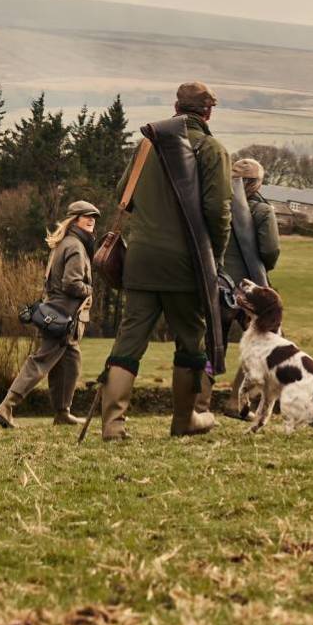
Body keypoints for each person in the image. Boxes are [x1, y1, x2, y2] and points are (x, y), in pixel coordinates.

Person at [97, 81, 232, 440]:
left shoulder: (147, 143)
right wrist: (213, 258)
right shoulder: (211, 148)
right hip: (187, 265)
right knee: (191, 341)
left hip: (140, 259)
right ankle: (184, 420)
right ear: (207, 111)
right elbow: (218, 210)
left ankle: (112, 424)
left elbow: (124, 194)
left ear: (176, 107)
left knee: (129, 340)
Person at [0, 200, 100, 429]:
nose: (91, 220)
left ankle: (63, 412)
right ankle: (6, 406)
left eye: (93, 217)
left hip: (57, 315)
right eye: (86, 216)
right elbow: (72, 284)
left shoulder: (65, 243)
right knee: (40, 362)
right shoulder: (76, 247)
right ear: (74, 220)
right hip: (64, 317)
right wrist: (90, 289)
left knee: (70, 363)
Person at [221, 156, 281, 417]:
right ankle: (236, 400)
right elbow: (270, 250)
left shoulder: (216, 204)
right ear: (257, 183)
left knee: (212, 347)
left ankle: (199, 403)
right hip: (250, 290)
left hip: (218, 284)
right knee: (261, 342)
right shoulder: (262, 211)